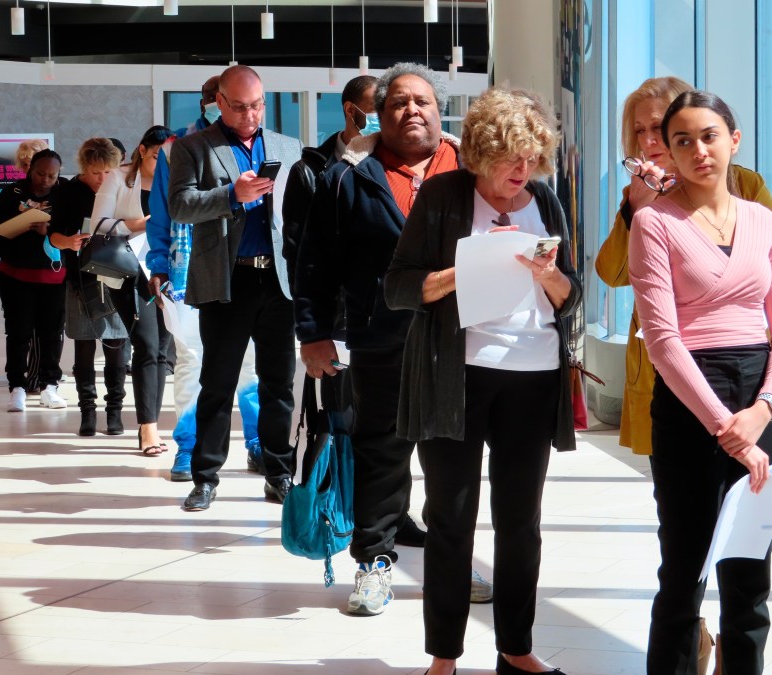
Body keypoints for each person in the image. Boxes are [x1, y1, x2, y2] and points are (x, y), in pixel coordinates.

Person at [385, 87, 579, 675]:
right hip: (457, 378)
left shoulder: (543, 198)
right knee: (451, 517)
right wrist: (457, 273)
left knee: (522, 522)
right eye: (511, 158)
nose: (523, 171)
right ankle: (443, 657)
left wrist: (549, 278)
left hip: (534, 378)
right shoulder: (444, 197)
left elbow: (572, 297)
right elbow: (398, 287)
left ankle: (516, 650)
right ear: (480, 153)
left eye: (532, 158)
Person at [295, 62, 492, 616]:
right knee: (381, 453)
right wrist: (313, 333)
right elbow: (316, 264)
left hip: (465, 341)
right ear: (379, 115)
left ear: (440, 110)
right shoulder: (347, 177)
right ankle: (374, 564)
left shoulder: (474, 172)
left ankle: (453, 566)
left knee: (454, 462)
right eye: (399, 102)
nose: (412, 110)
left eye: (423, 101)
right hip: (382, 339)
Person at [627, 90, 772, 674]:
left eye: (708, 135)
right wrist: (727, 428)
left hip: (760, 400)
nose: (698, 150)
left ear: (734, 140)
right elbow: (663, 341)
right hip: (688, 403)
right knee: (684, 573)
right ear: (668, 154)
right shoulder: (653, 223)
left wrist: (763, 410)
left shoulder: (763, 221)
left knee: (750, 576)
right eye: (682, 141)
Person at [595, 76, 772, 457]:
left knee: (747, 494)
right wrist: (635, 209)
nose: (650, 140)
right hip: (666, 358)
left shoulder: (744, 185)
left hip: (745, 357)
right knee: (679, 485)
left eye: (658, 127)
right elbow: (611, 274)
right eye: (640, 131)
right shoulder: (640, 196)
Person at [167, 64, 301, 511]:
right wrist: (231, 197)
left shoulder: (287, 146)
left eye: (258, 105)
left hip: (278, 279)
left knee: (279, 384)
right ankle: (205, 476)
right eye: (240, 106)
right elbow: (181, 206)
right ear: (219, 103)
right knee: (218, 381)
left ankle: (280, 472)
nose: (251, 115)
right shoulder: (192, 147)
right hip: (228, 279)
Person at [148, 73, 264, 482]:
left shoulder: (256, 141)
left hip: (244, 271)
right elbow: (164, 211)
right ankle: (189, 446)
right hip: (186, 270)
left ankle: (256, 442)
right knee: (192, 361)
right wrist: (159, 265)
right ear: (213, 101)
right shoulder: (176, 147)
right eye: (213, 100)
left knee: (251, 364)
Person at [91, 125, 174, 453]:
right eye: (157, 156)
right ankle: (147, 427)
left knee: (163, 351)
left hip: (166, 270)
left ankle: (151, 420)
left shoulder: (175, 178)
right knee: (147, 345)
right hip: (127, 270)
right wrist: (140, 224)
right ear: (142, 151)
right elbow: (99, 224)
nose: (163, 163)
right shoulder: (119, 177)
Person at [49, 138, 126, 436]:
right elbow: (53, 235)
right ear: (84, 168)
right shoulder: (68, 191)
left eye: (108, 172)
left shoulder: (122, 185)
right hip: (80, 277)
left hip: (116, 274)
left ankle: (115, 412)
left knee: (117, 345)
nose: (103, 179)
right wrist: (68, 242)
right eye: (96, 173)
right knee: (83, 344)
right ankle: (87, 413)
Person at [0, 149, 68, 413]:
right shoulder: (13, 192)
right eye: (41, 173)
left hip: (53, 274)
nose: (45, 180)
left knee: (51, 333)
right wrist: (19, 224)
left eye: (52, 175)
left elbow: (75, 227)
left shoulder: (65, 193)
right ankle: (17, 387)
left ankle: (49, 386)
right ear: (31, 170)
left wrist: (49, 230)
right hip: (15, 274)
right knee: (18, 332)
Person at [281, 74, 378, 294]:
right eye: (375, 109)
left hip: (385, 304)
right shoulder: (309, 171)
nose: (382, 117)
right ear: (350, 110)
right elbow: (296, 248)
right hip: (334, 307)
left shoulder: (395, 164)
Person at [13, 138, 51, 395]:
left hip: (49, 266)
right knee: (20, 327)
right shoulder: (15, 191)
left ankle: (38, 377)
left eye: (33, 164)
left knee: (43, 328)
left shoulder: (59, 190)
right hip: (19, 265)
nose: (28, 169)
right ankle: (21, 376)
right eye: (25, 164)